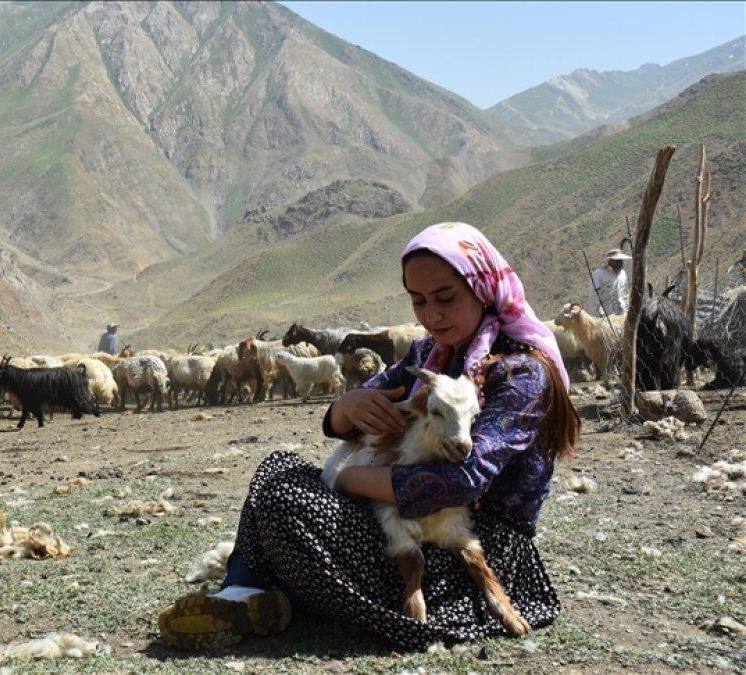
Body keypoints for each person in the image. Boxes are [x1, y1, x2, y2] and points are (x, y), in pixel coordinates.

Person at [157, 222, 580, 651]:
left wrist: (345, 480)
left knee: (289, 505)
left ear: (483, 288)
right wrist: (348, 406)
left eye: (446, 298)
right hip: (398, 512)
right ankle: (243, 596)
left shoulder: (521, 373)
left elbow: (459, 481)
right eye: (418, 301)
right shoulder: (426, 354)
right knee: (278, 472)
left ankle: (286, 594)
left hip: (469, 544)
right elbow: (351, 418)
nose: (432, 315)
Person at [588, 249, 631, 316]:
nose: (620, 262)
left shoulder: (623, 274)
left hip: (621, 313)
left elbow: (625, 293)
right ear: (610, 261)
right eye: (617, 260)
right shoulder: (598, 274)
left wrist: (626, 310)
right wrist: (600, 311)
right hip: (605, 314)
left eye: (621, 260)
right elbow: (594, 295)